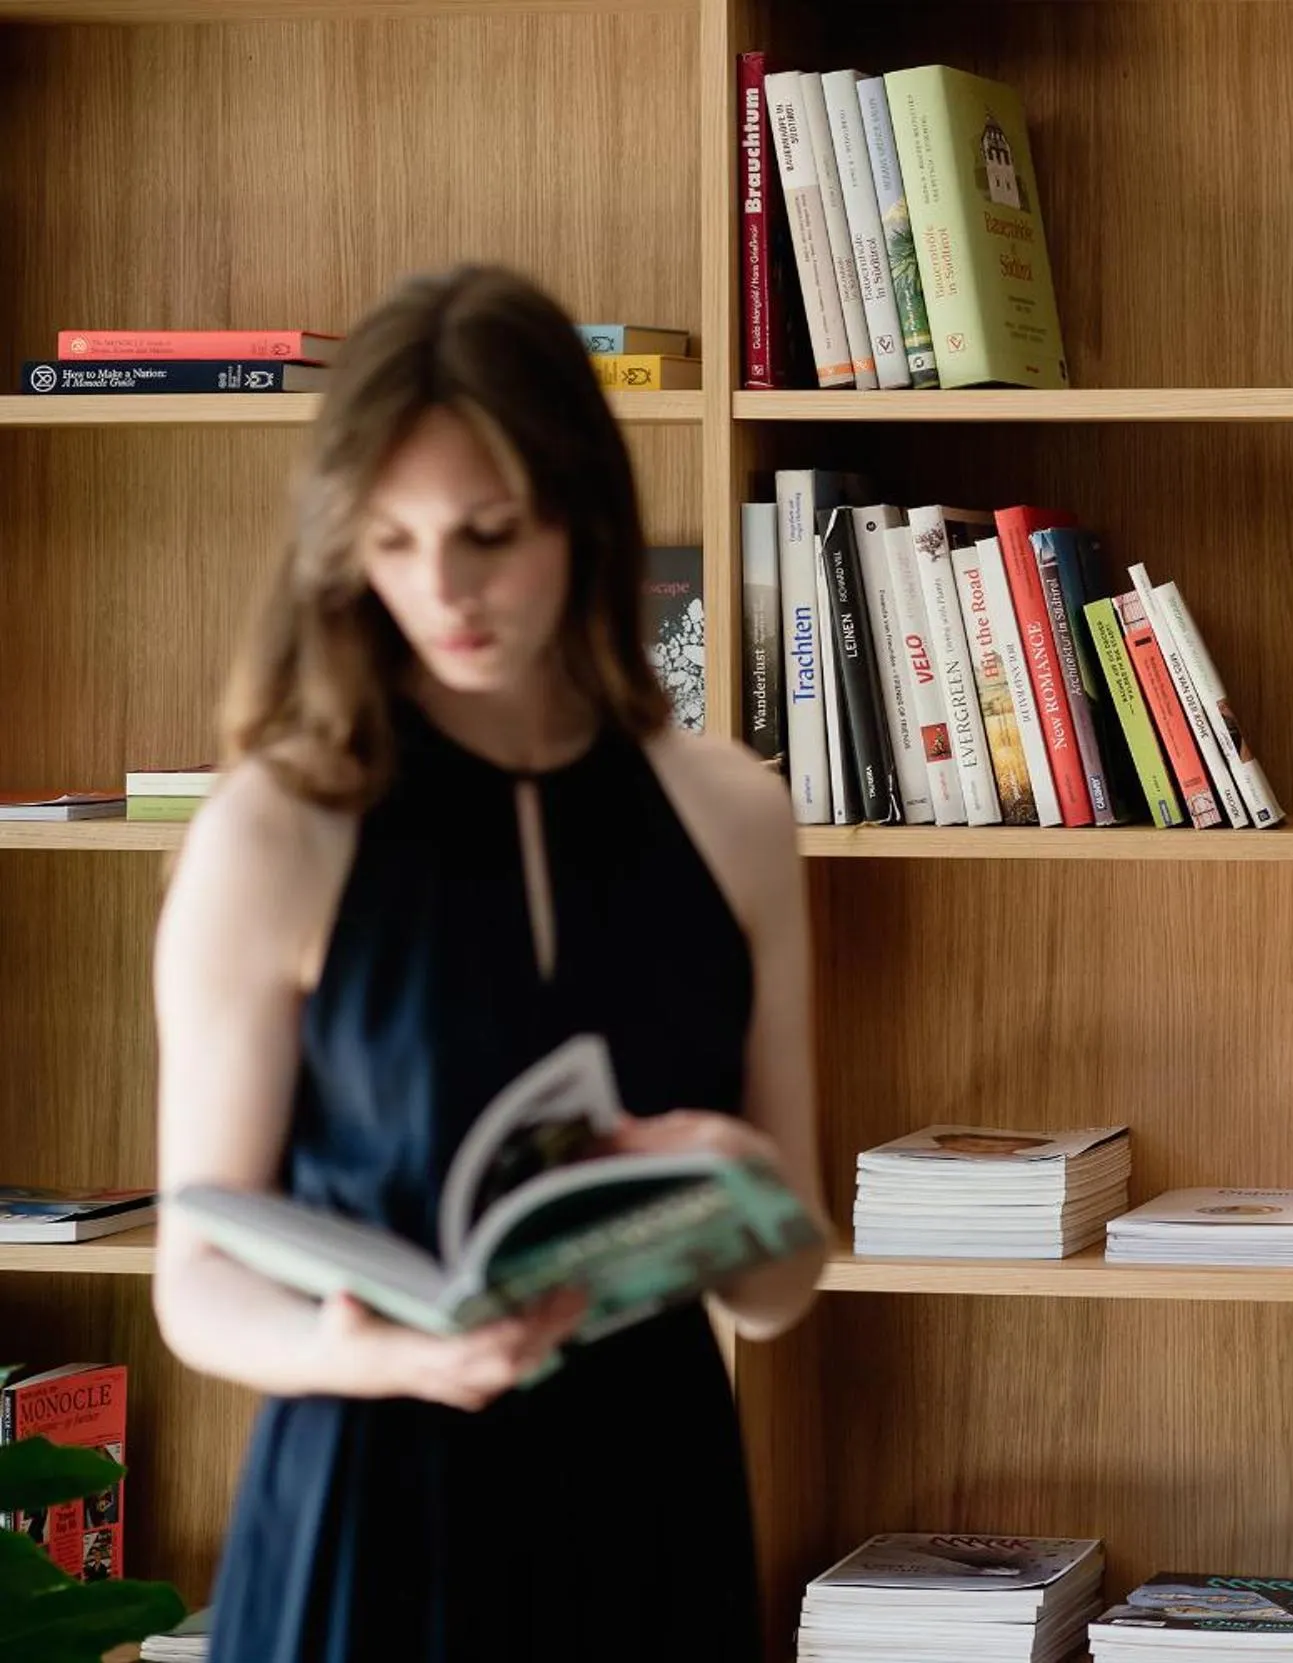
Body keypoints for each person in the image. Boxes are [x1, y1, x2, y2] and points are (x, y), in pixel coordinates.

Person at [151, 264, 830, 1661]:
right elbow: (196, 1273)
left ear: (582, 513)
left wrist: (742, 1187)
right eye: (391, 542)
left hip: (651, 1501)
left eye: (487, 533)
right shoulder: (277, 828)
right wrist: (371, 1352)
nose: (441, 590)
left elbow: (780, 1292)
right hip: (371, 1494)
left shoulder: (734, 813)